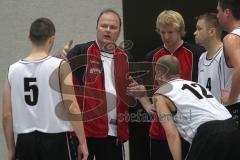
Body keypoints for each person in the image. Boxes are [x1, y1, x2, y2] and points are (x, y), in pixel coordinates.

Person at [2, 18, 88, 160]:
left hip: (25, 142)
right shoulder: (61, 66)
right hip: (56, 141)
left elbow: (6, 115)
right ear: (51, 39)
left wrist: (11, 149)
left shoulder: (13, 70)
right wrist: (83, 142)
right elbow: (71, 107)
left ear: (29, 37)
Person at [64, 9, 129, 160]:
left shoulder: (125, 57)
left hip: (114, 134)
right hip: (85, 134)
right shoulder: (80, 52)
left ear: (119, 31)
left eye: (113, 27)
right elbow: (58, 69)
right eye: (103, 25)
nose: (107, 30)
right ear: (96, 28)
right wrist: (59, 56)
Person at [144, 10, 204, 160]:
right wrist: (147, 105)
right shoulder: (151, 56)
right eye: (162, 32)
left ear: (180, 31)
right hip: (160, 129)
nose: (166, 37)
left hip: (188, 129)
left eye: (170, 32)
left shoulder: (196, 54)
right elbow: (144, 88)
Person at [194, 13, 232, 102]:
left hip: (227, 112)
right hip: (208, 113)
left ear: (211, 32)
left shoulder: (226, 53)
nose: (195, 33)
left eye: (199, 29)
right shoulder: (202, 58)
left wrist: (234, 95)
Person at [216, 0, 240, 126]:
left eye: (218, 11)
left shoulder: (231, 38)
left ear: (227, 12)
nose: (217, 15)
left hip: (236, 105)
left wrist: (231, 98)